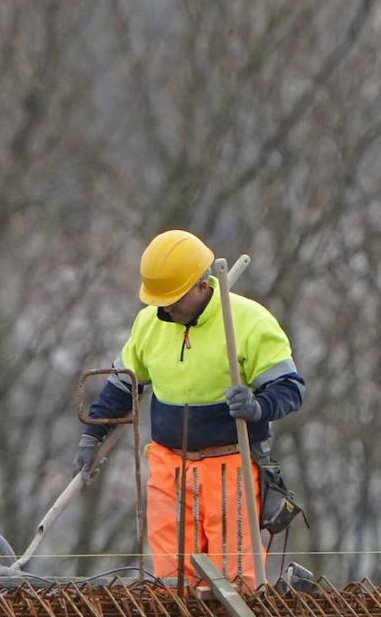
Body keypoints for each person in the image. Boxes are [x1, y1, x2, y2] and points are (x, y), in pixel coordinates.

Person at [74, 230, 304, 587]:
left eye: (172, 298)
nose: (164, 307)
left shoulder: (249, 323)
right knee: (172, 580)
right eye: (159, 299)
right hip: (168, 468)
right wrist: (93, 435)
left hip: (231, 467)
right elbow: (124, 385)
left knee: (237, 583)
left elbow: (290, 388)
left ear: (201, 285)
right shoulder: (149, 323)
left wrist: (257, 406)